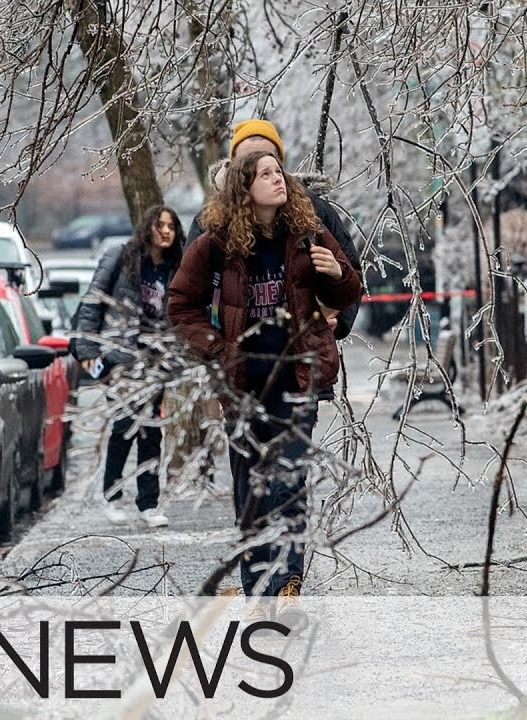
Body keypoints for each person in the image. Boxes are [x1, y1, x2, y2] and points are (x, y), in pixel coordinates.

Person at [168, 151, 362, 612]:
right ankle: (259, 587)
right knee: (253, 487)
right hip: (243, 386)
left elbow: (349, 290)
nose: (280, 179)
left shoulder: (308, 232)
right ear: (244, 186)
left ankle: (288, 582)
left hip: (298, 377)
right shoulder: (214, 243)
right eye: (268, 174)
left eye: (280, 171)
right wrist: (217, 349)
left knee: (289, 479)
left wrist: (336, 275)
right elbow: (180, 306)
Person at [187, 118, 363, 341]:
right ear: (232, 167)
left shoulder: (313, 211)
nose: (258, 165)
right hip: (235, 364)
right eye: (248, 161)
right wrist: (210, 347)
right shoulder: (211, 221)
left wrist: (338, 321)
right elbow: (185, 298)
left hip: (300, 362)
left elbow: (350, 273)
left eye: (266, 158)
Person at [73, 205, 184, 528]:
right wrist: (89, 351)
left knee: (151, 431)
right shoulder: (120, 257)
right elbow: (92, 304)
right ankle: (112, 494)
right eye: (159, 225)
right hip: (119, 358)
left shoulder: (176, 268)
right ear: (147, 227)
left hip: (156, 361)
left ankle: (148, 503)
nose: (165, 231)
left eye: (171, 226)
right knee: (124, 426)